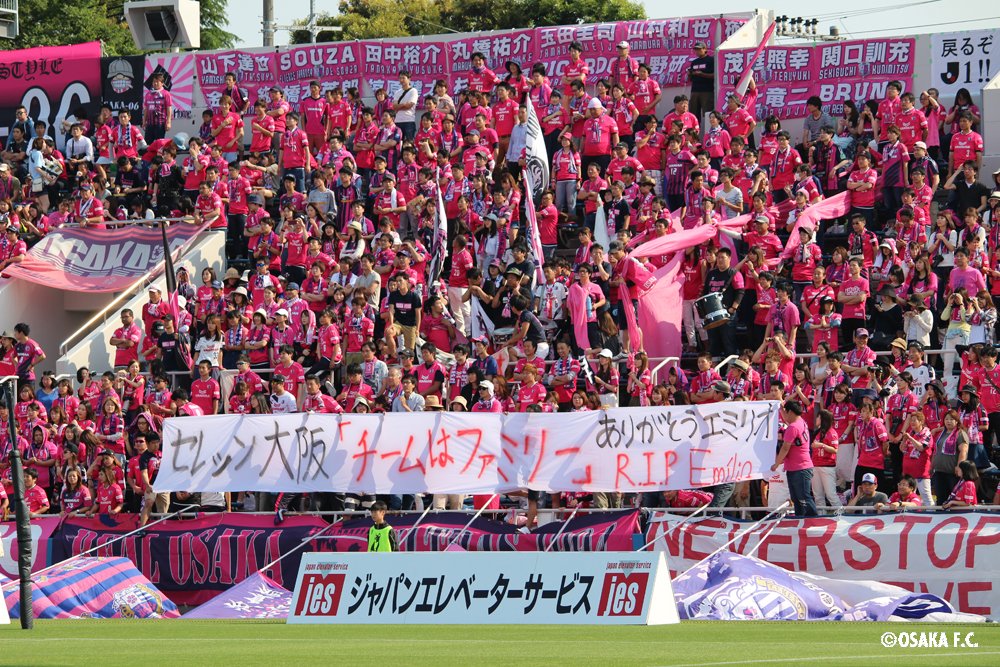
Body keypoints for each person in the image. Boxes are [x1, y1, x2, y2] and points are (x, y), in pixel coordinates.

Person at [771, 400, 817, 517]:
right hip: (798, 467)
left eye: (786, 412)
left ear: (790, 412)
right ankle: (800, 520)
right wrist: (781, 409)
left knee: (803, 498)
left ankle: (814, 520)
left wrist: (776, 464)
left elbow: (785, 448)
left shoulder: (792, 427)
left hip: (799, 468)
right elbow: (787, 419)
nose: (785, 416)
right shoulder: (801, 422)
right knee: (797, 499)